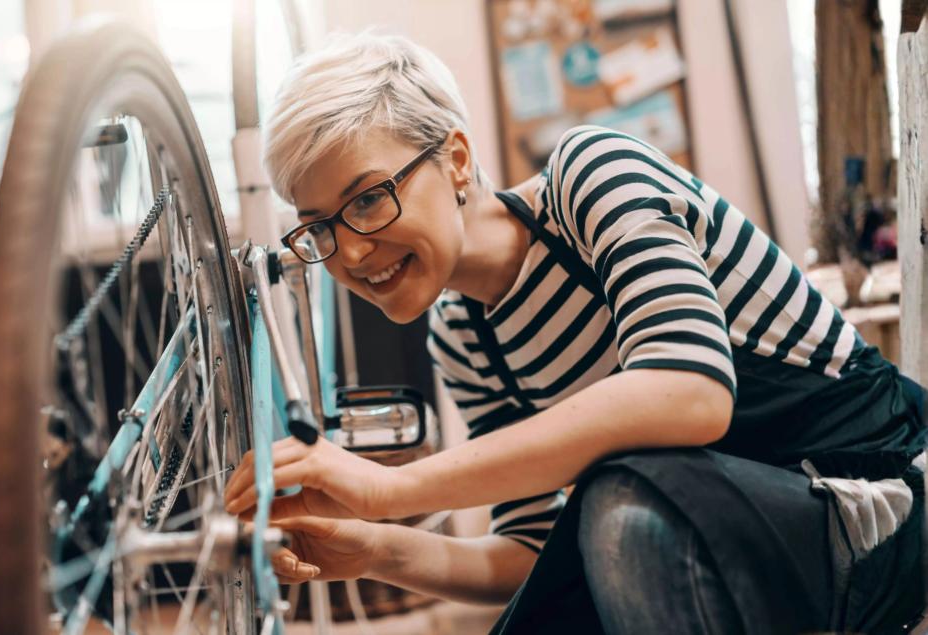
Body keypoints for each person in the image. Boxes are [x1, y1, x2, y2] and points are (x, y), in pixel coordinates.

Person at [222, 31, 927, 635]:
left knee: (621, 504)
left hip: (872, 496)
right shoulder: (464, 334)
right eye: (318, 225)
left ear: (457, 160)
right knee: (607, 524)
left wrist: (386, 489)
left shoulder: (590, 176)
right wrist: (378, 549)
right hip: (722, 528)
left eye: (368, 197)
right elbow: (536, 549)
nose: (346, 253)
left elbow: (687, 391)